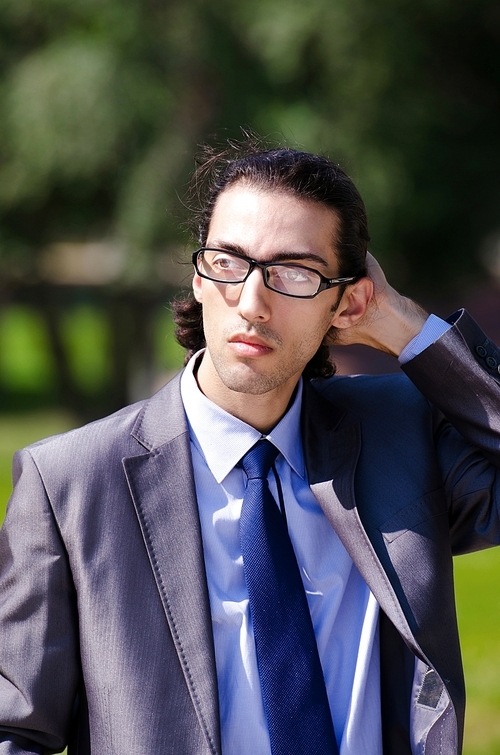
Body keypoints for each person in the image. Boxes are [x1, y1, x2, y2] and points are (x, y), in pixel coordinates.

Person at [0, 140, 499, 755]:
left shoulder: (400, 436)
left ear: (346, 299)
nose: (252, 302)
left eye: (295, 273)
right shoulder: (70, 482)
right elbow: (14, 729)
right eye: (228, 262)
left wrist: (399, 323)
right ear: (199, 276)